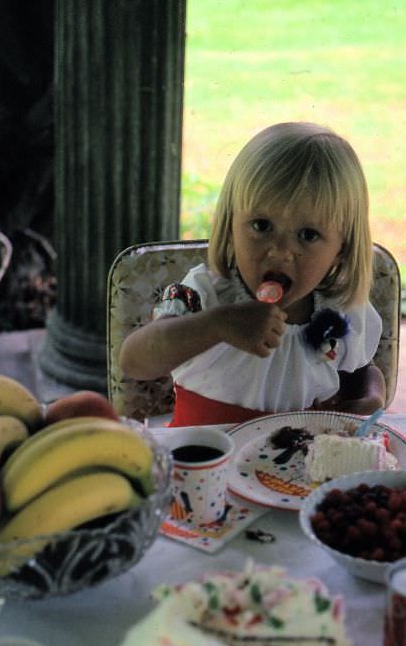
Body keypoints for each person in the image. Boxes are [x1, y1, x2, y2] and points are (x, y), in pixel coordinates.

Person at [119, 121, 386, 426]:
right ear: (232, 225)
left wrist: (369, 398)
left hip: (296, 461)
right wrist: (216, 325)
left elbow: (363, 372)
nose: (280, 251)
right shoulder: (208, 294)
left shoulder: (340, 312)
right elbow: (134, 360)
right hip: (208, 459)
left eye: (308, 235)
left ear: (342, 248)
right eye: (261, 226)